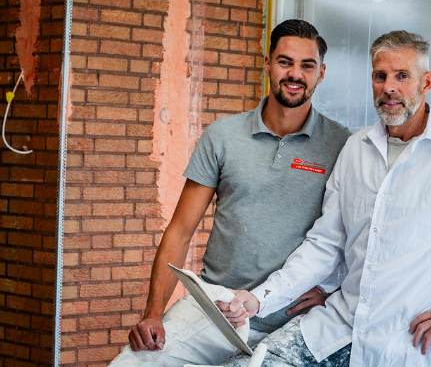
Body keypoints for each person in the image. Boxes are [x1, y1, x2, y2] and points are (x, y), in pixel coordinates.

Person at [219, 30, 431, 367]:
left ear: (426, 82)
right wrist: (260, 299)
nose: (389, 87)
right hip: (338, 325)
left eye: (402, 76)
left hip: (407, 345)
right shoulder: (356, 149)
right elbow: (327, 243)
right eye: (380, 76)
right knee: (249, 364)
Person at [109, 20, 352, 367]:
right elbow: (179, 230)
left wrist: (330, 289)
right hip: (215, 305)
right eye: (285, 62)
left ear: (321, 73)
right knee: (131, 364)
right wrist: (153, 314)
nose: (295, 74)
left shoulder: (342, 145)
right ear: (267, 63)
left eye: (307, 65)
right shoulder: (223, 135)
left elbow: (354, 236)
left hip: (292, 320)